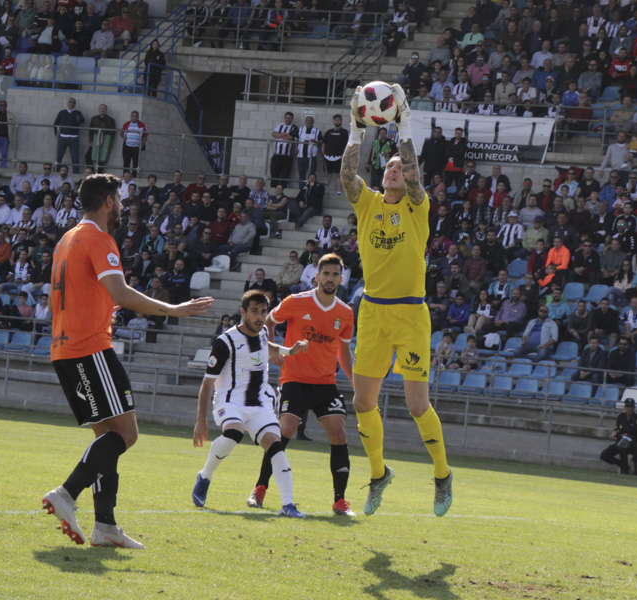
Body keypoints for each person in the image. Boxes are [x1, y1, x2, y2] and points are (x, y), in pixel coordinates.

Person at [42, 173, 213, 550]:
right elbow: (119, 290)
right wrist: (174, 309)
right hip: (89, 349)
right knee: (127, 434)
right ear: (108, 201)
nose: (123, 206)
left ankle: (105, 527)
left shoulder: (67, 239)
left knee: (107, 438)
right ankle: (66, 494)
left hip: (64, 348)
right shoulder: (99, 238)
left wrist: (105, 309)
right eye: (119, 199)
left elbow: (81, 293)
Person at [340, 84, 453, 517]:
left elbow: (414, 172)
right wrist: (355, 129)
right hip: (371, 311)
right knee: (362, 402)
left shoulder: (417, 207)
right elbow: (348, 177)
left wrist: (403, 124)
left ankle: (442, 475)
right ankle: (378, 474)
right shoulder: (367, 204)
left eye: (398, 168)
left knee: (416, 404)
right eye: (387, 167)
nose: (392, 171)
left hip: (409, 312)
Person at [246, 254, 355, 515]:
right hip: (294, 379)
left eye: (334, 275)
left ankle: (340, 501)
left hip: (325, 383)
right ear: (316, 276)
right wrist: (274, 350)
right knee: (286, 428)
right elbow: (269, 321)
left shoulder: (345, 312)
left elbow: (343, 351)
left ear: (341, 278)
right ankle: (260, 488)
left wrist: (355, 381)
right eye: (325, 274)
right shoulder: (296, 301)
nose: (330, 279)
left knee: (339, 433)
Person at [191, 290, 308, 517]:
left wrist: (289, 351)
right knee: (234, 434)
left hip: (260, 403)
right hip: (231, 401)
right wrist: (200, 421)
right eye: (254, 311)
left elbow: (267, 347)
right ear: (243, 312)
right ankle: (205, 475)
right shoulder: (225, 342)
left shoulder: (262, 331)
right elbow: (207, 382)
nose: (260, 316)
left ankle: (288, 505)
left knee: (275, 446)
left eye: (263, 311)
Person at [600, 398, 637, 475]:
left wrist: (620, 431)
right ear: (624, 407)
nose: (629, 408)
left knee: (627, 448)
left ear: (634, 408)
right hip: (621, 441)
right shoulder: (621, 416)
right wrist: (619, 433)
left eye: (631, 406)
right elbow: (616, 429)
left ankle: (631, 471)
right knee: (604, 455)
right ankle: (622, 464)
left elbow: (634, 430)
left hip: (633, 442)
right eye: (627, 406)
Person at [52, 98, 84, 168]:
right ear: (67, 103)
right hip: (63, 137)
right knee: (59, 156)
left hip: (74, 138)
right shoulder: (62, 112)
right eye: (70, 102)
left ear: (75, 104)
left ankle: (76, 173)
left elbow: (82, 121)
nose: (71, 104)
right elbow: (56, 123)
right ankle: (57, 171)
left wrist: (79, 119)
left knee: (75, 157)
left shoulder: (78, 113)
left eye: (73, 103)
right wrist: (56, 134)